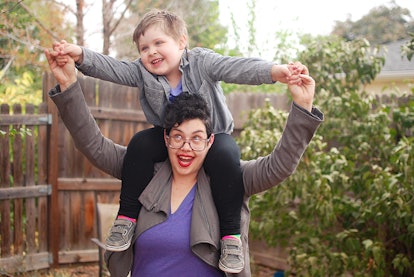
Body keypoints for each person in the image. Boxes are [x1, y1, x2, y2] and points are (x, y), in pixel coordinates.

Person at [51, 9, 307, 273]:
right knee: (140, 142)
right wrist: (80, 56)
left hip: (217, 137)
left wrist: (277, 72)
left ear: (182, 42)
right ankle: (126, 218)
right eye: (144, 48)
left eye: (159, 43)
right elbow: (113, 70)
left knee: (227, 153)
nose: (151, 52)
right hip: (165, 138)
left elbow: (237, 68)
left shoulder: (202, 63)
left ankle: (230, 238)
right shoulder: (142, 74)